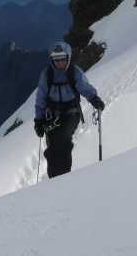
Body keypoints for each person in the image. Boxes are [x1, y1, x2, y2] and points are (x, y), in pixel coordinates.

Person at [33, 41, 105, 178]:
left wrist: (94, 99)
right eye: (56, 60)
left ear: (68, 57)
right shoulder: (47, 75)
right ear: (51, 60)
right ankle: (54, 178)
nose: (59, 63)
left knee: (63, 139)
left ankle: (65, 178)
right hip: (52, 116)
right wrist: (38, 120)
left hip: (71, 114)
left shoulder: (74, 72)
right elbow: (40, 98)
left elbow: (84, 87)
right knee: (52, 145)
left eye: (62, 59)